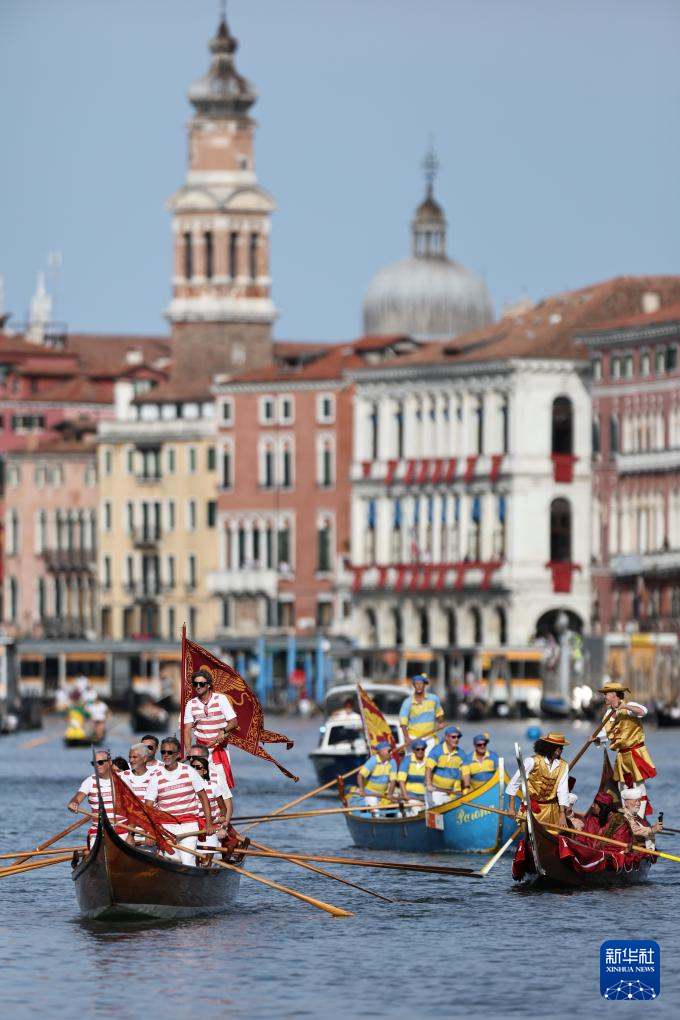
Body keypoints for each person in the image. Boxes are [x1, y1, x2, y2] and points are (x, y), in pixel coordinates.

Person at [144, 736, 216, 866]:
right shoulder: (156, 776)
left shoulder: (189, 771)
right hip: (166, 827)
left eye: (170, 752)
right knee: (172, 861)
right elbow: (148, 807)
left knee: (188, 861)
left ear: (177, 754)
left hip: (189, 825)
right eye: (163, 752)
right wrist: (149, 832)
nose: (166, 755)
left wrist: (209, 823)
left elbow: (203, 798)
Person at [590, 681, 656, 796]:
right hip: (621, 756)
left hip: (635, 753)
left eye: (606, 694)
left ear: (614, 694)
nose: (604, 697)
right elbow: (605, 734)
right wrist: (596, 739)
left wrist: (624, 706)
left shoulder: (629, 707)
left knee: (638, 786)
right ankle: (626, 807)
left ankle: (640, 807)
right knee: (622, 787)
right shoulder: (608, 714)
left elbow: (643, 712)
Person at [507, 732, 570, 828]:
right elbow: (514, 783)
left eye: (561, 747)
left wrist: (562, 813)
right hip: (531, 808)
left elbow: (563, 790)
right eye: (556, 746)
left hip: (551, 810)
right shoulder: (532, 761)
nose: (559, 749)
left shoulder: (564, 765)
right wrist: (511, 808)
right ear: (548, 746)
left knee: (555, 832)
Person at [66, 751, 129, 846]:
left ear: (110, 762)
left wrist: (131, 835)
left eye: (100, 762)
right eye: (94, 763)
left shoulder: (123, 779)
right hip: (98, 832)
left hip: (122, 831)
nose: (97, 765)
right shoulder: (89, 781)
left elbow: (134, 807)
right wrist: (74, 803)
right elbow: (77, 798)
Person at [182, 669, 238, 767]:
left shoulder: (220, 699)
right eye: (195, 684)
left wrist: (223, 731)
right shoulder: (191, 704)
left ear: (208, 685)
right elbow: (187, 730)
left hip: (219, 749)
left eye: (201, 684)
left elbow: (234, 722)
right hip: (200, 751)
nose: (198, 686)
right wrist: (189, 751)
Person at [188, 755, 232, 864]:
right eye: (192, 767)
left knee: (208, 861)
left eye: (198, 767)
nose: (194, 770)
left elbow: (223, 808)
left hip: (209, 827)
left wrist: (222, 818)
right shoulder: (186, 787)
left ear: (205, 771)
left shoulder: (213, 787)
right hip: (191, 827)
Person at [425, 726, 471, 805]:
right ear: (446, 738)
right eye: (453, 737)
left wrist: (467, 787)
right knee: (437, 806)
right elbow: (428, 768)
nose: (456, 739)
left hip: (453, 792)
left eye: (458, 737)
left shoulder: (462, 754)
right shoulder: (437, 751)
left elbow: (466, 773)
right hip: (436, 790)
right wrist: (429, 784)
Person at [398, 675, 445, 747]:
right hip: (413, 737)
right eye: (417, 684)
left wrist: (441, 722)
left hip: (430, 737)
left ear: (425, 685)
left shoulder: (434, 699)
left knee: (431, 754)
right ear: (414, 685)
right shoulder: (407, 702)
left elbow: (439, 713)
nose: (419, 686)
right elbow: (403, 722)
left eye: (421, 684)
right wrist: (407, 737)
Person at [357, 741, 397, 808]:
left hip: (383, 794)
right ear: (381, 751)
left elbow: (393, 781)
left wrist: (390, 794)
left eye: (391, 750)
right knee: (374, 807)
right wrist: (361, 789)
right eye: (389, 751)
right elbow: (360, 775)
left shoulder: (392, 762)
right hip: (370, 793)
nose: (391, 752)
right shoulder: (373, 761)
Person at [396, 738, 428, 812]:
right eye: (418, 749)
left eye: (422, 749)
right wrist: (405, 795)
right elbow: (401, 781)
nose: (420, 751)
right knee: (417, 811)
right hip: (410, 795)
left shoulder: (429, 761)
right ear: (413, 750)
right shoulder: (406, 761)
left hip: (424, 796)